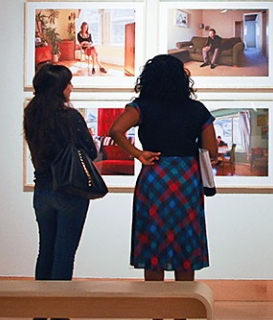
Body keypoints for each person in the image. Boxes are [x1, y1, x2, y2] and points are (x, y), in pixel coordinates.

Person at [109, 54, 218, 283]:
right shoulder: (197, 110)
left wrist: (138, 154)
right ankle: (183, 311)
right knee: (185, 244)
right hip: (187, 178)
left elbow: (116, 130)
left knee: (153, 243)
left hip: (155, 176)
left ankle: (156, 311)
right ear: (182, 79)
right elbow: (211, 152)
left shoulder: (141, 107)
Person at [23, 64, 97, 282]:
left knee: (45, 250)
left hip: (43, 191)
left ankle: (41, 309)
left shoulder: (32, 115)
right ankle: (58, 310)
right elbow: (91, 152)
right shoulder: (70, 117)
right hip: (70, 191)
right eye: (68, 83)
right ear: (60, 88)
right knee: (64, 255)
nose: (71, 87)